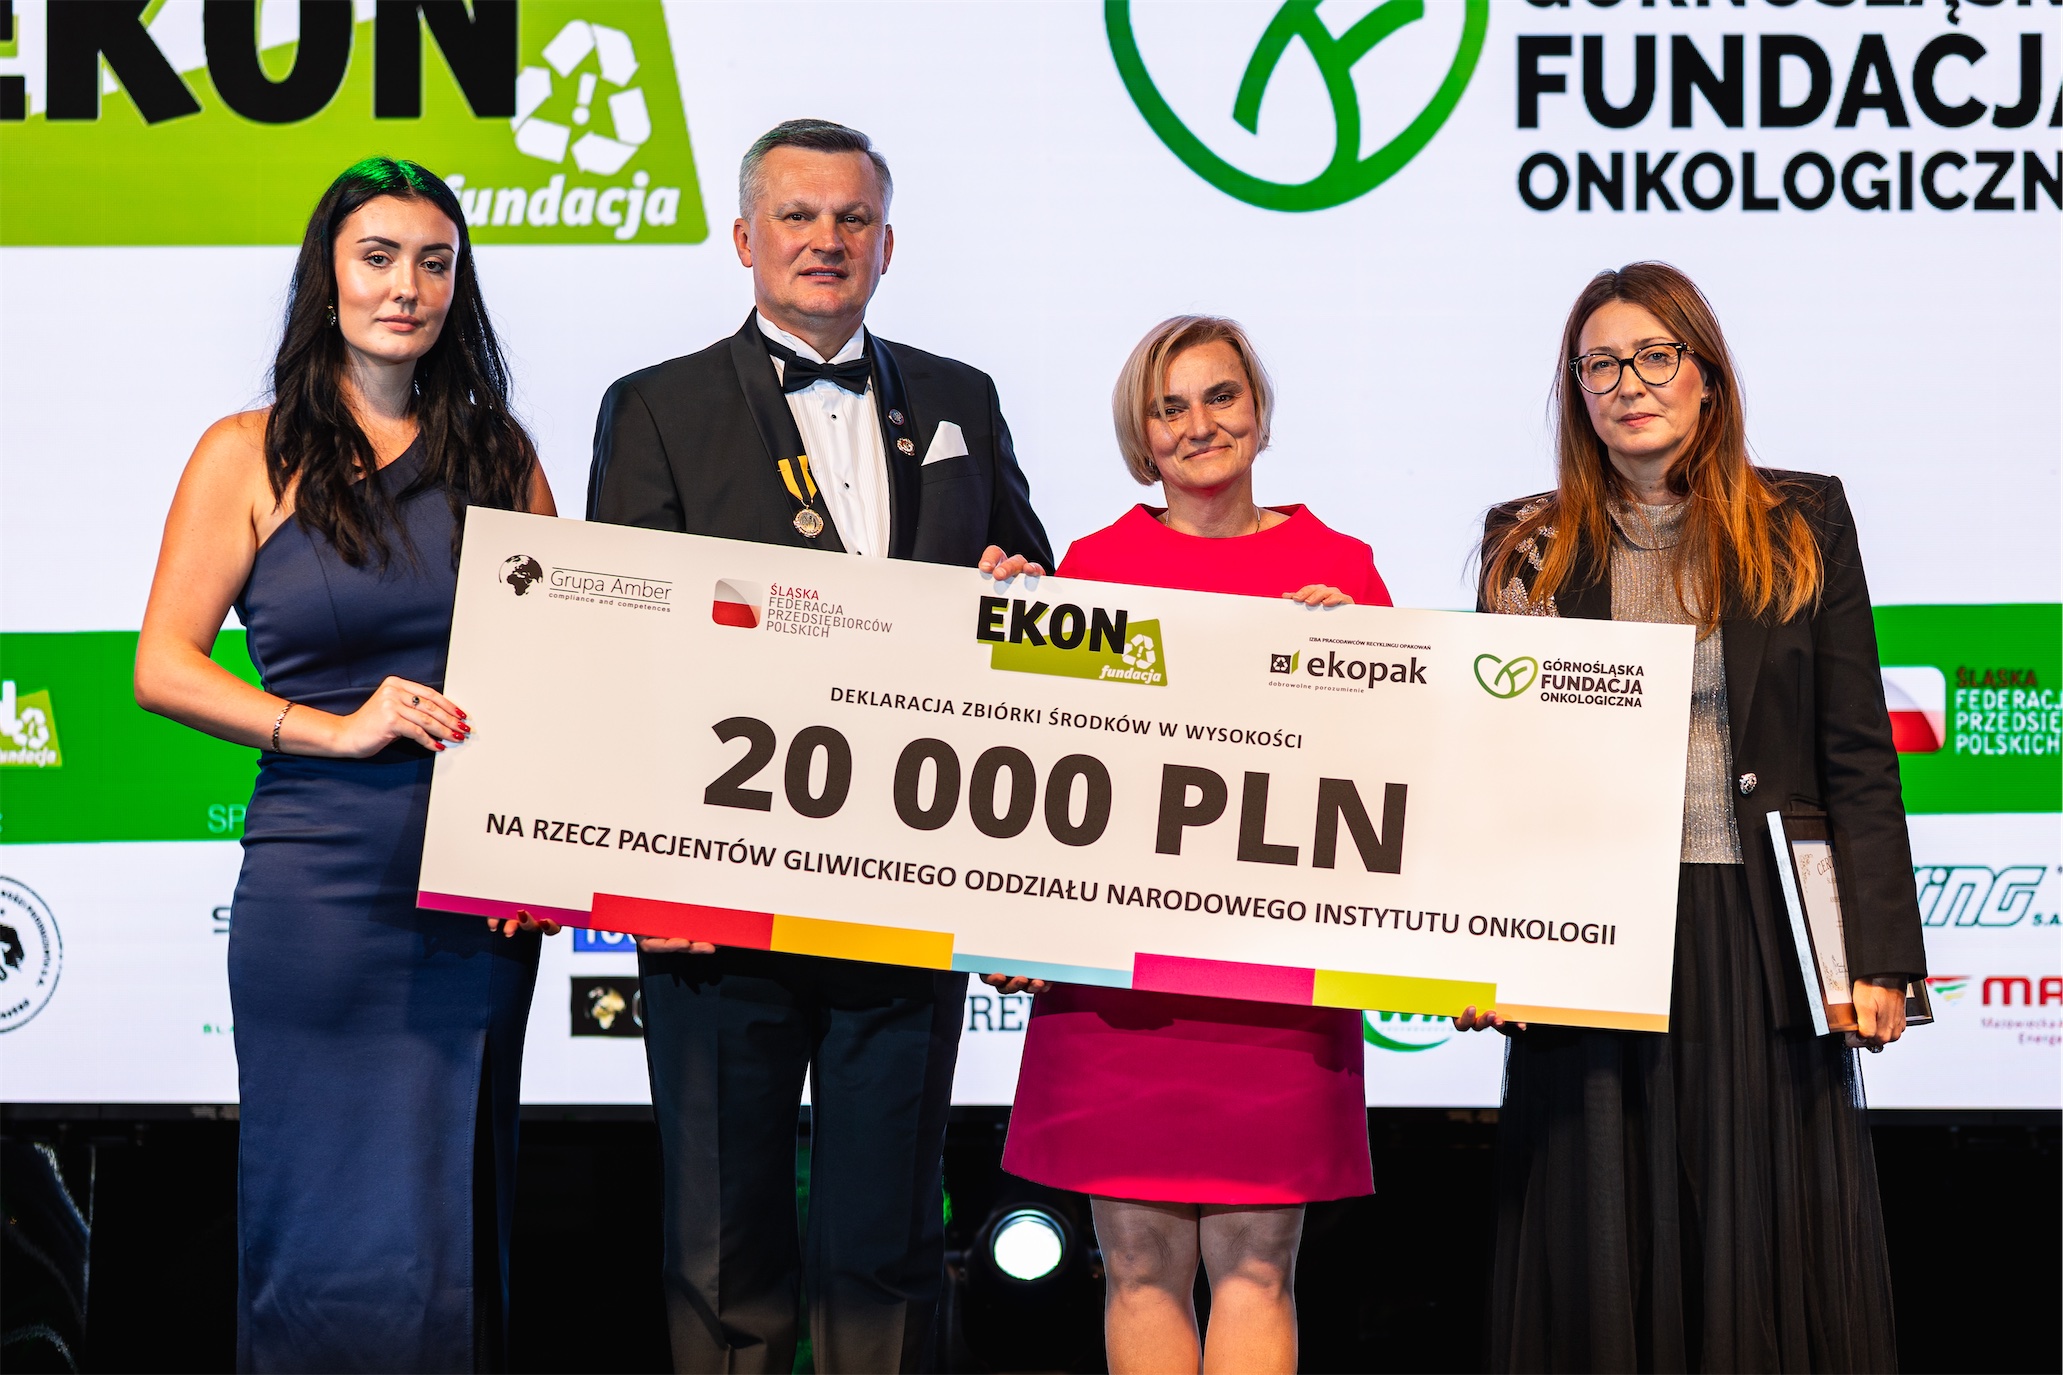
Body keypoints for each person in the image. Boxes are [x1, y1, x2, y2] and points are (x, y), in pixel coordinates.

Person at [585, 118, 1052, 1374]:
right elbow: (615, 647)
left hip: (907, 887)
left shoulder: (961, 399)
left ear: (887, 245)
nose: (825, 240)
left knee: (888, 1247)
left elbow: (1030, 596)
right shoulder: (656, 405)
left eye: (852, 219)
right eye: (797, 216)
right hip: (714, 894)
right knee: (721, 1251)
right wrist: (643, 872)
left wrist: (1019, 583)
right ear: (745, 239)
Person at [1458, 261, 1925, 1372]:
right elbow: (1492, 767)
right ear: (1575, 391)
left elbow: (1855, 749)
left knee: (1757, 1245)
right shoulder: (1526, 543)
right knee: (1599, 1247)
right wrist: (1478, 951)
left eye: (1653, 356)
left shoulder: (1800, 520)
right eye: (1599, 366)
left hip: (1758, 937)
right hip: (1585, 943)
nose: (1628, 384)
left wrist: (1879, 957)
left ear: (1705, 374)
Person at [134, 157, 559, 1372]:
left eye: (434, 262)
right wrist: (333, 727)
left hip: (474, 893)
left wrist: (546, 851)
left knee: (449, 1221)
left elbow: (563, 667)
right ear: (328, 275)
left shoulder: (499, 454)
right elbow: (163, 667)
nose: (406, 287)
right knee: (321, 1220)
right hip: (318, 888)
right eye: (378, 257)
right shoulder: (245, 452)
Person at [993, 316, 1386, 1375]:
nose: (1197, 424)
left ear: (1257, 410)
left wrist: (1355, 659)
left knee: (1257, 1265)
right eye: (1168, 407)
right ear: (1141, 434)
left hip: (1276, 980)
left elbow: (1394, 770)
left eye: (1219, 396)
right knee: (1136, 1266)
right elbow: (1041, 771)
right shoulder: (1090, 568)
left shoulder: (1340, 571)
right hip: (1116, 984)